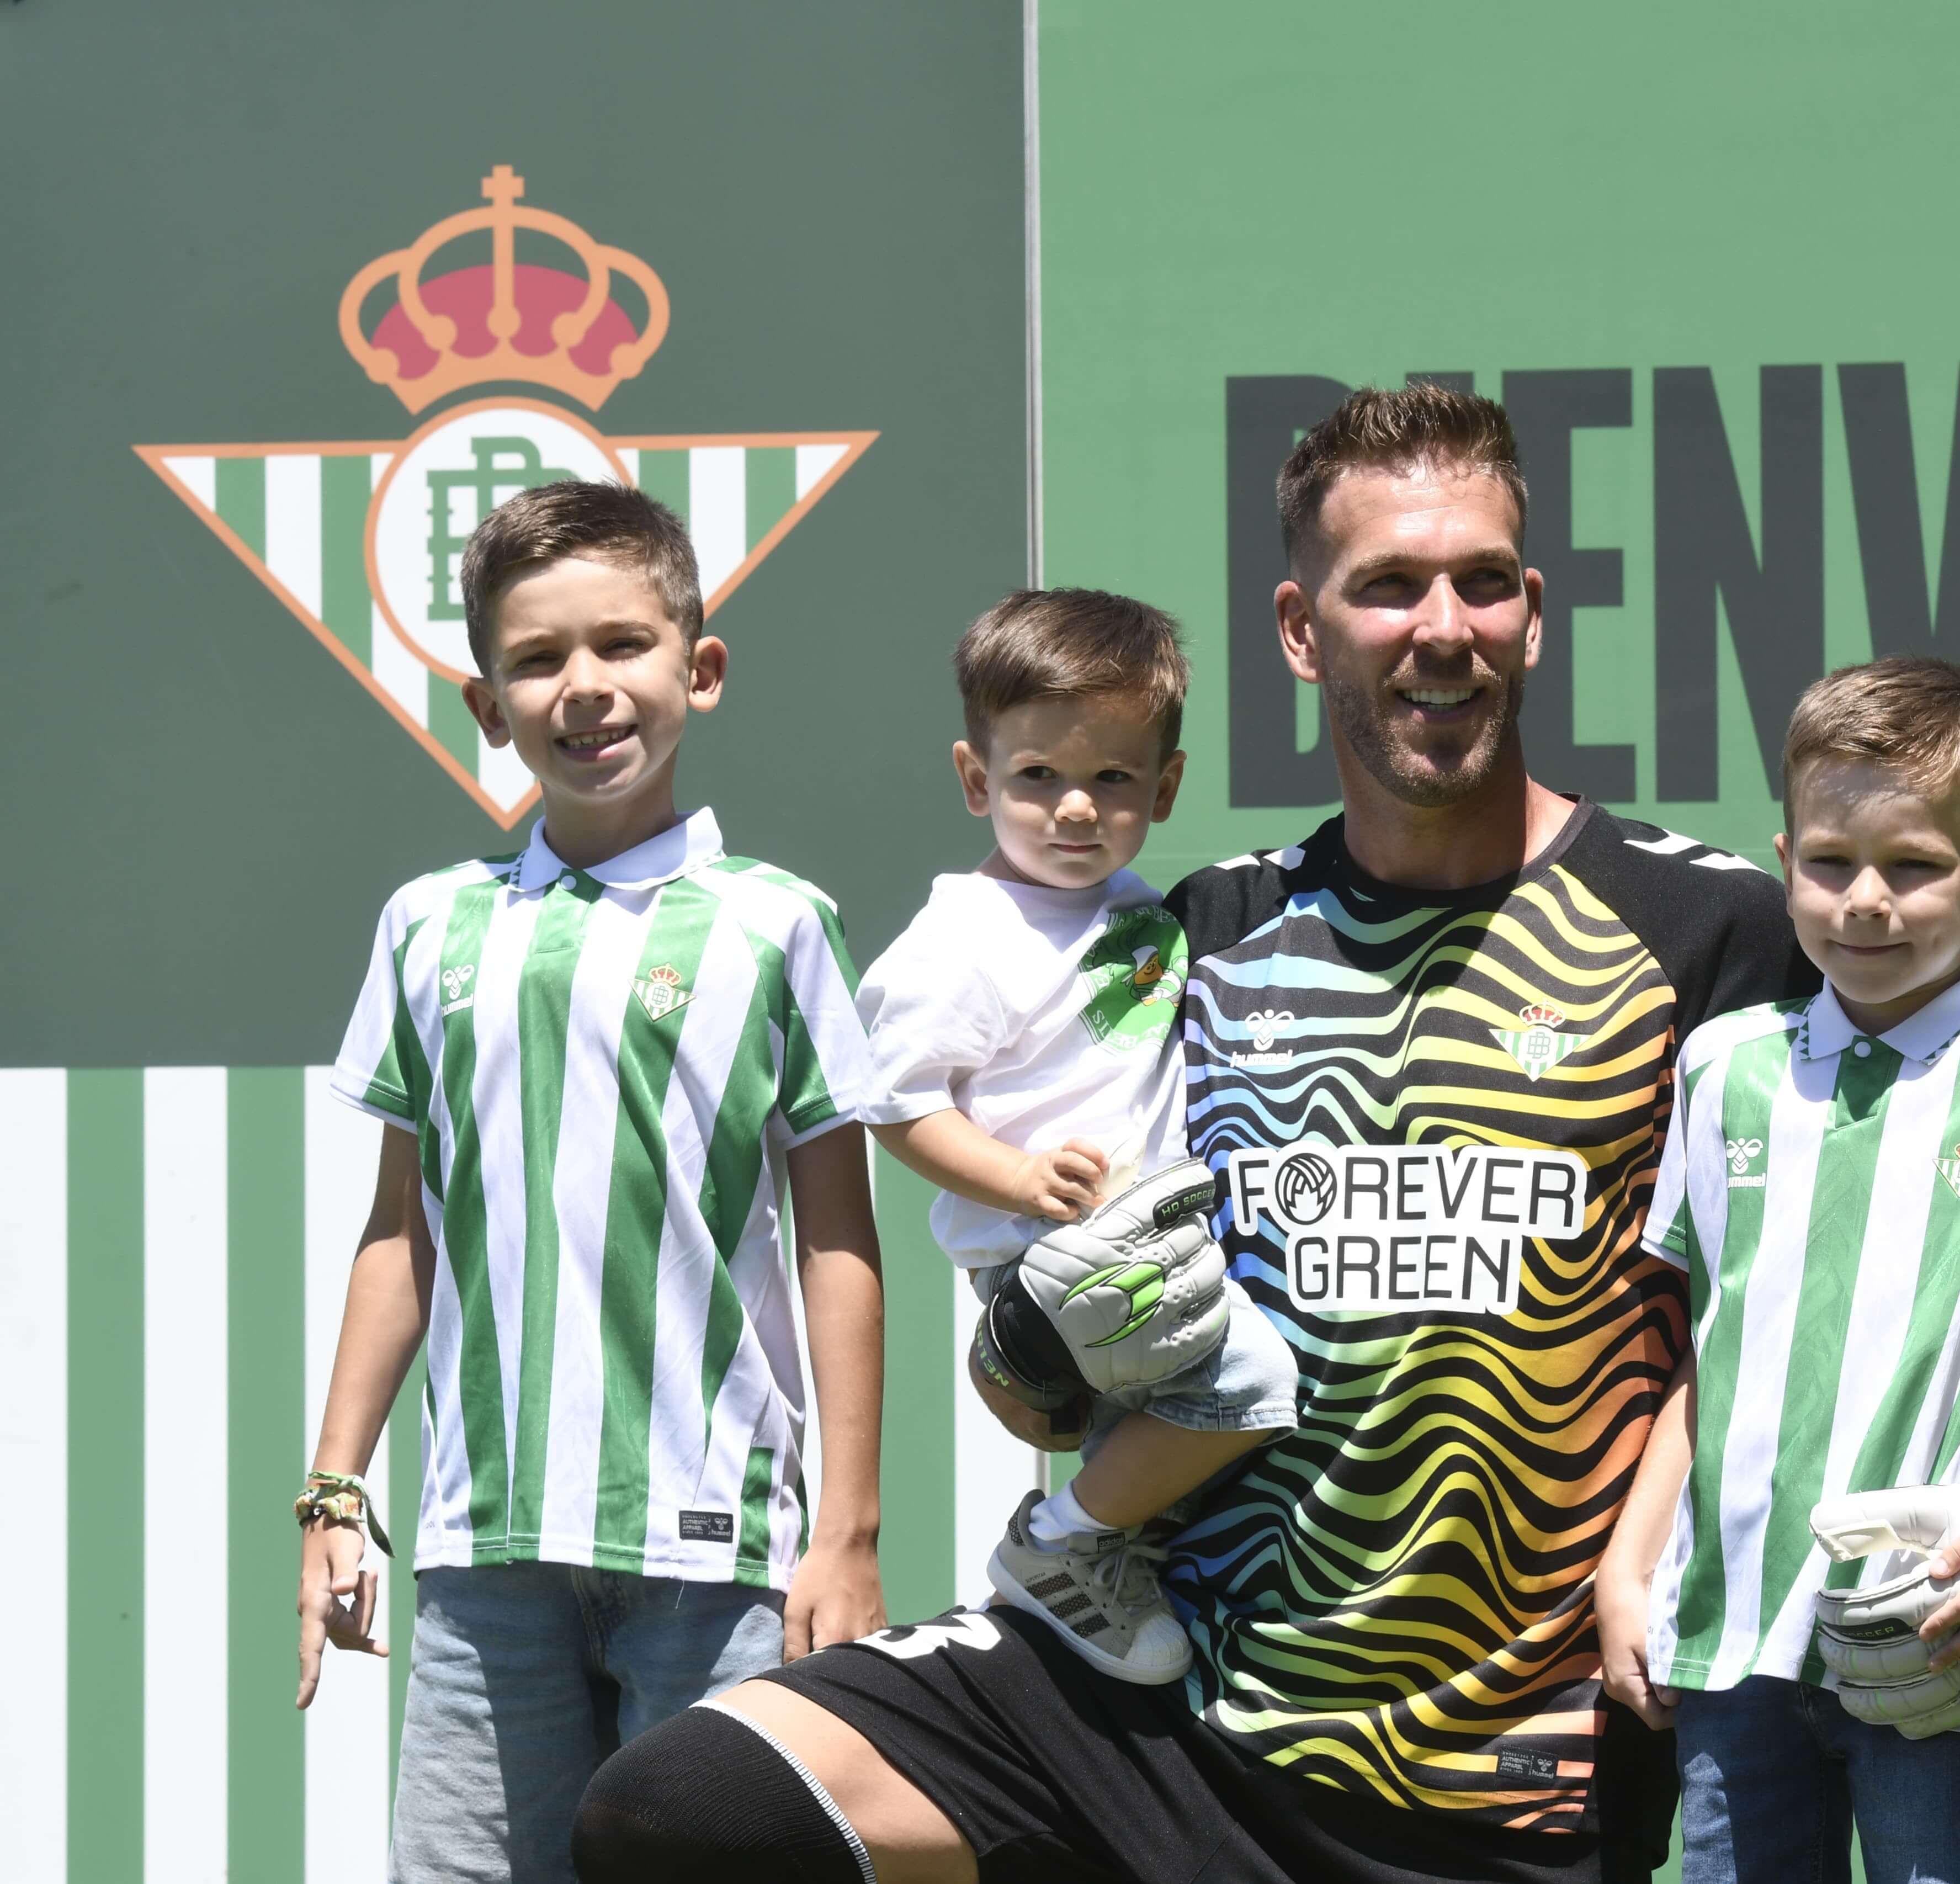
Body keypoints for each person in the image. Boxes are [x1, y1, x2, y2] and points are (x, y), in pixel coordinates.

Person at [571, 383, 1834, 1884]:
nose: (1444, 623)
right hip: (1158, 1710)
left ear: (1534, 613)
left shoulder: (1719, 931)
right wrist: (1037, 1336)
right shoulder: (1201, 936)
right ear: (1303, 632)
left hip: (1503, 1776)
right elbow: (1046, 1383)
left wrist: (1682, 1550)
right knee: (683, 1808)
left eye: (1483, 580)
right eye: (1389, 585)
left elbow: (1818, 1303)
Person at [297, 479, 890, 1882]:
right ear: (485, 704)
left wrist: (848, 1535)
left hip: (719, 1555)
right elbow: (402, 1233)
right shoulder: (427, 927)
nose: (586, 687)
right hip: (483, 1554)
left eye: (623, 644)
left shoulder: (777, 924)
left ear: (702, 666)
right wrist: (332, 1493)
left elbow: (840, 1243)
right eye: (537, 659)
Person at [1593, 657, 1960, 1884]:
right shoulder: (1724, 1067)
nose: (1866, 901)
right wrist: (1628, 1567)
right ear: (1784, 860)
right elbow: (1714, 1362)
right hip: (1729, 1646)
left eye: (1913, 867)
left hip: (1935, 1639)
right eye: (1828, 863)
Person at [849, 587, 1299, 1683]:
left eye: (1112, 780)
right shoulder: (956, 940)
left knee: (1161, 1434)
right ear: (975, 780)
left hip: (1144, 1240)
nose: (1075, 810)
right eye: (1037, 778)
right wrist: (1017, 1177)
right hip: (1047, 1258)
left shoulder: (1142, 911)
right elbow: (900, 1106)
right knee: (1251, 1384)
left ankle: (1104, 1554)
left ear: (1166, 786)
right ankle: (1056, 1549)